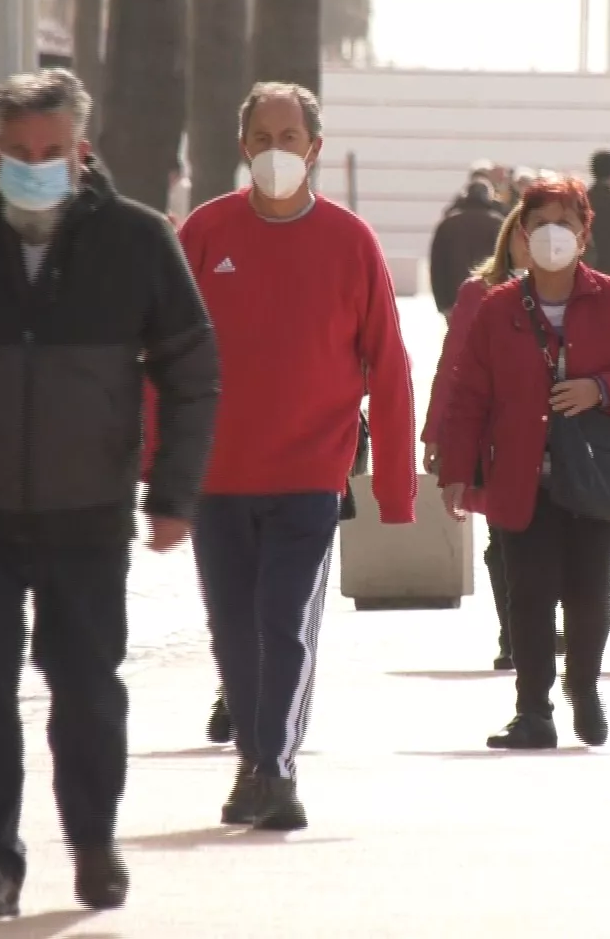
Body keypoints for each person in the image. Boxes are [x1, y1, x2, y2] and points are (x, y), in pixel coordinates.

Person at [0, 69, 220, 916]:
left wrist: (173, 489)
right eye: (18, 152)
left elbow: (191, 369)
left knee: (89, 687)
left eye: (51, 151)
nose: (34, 165)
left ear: (80, 150)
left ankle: (94, 844)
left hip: (88, 513)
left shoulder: (137, 240)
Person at [178, 81, 416, 831]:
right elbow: (163, 351)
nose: (276, 151)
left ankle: (274, 769)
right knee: (230, 629)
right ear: (242, 145)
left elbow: (390, 362)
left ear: (314, 148)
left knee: (283, 623)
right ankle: (257, 758)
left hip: (309, 478)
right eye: (263, 137)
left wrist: (397, 490)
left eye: (291, 137)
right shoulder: (206, 233)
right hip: (218, 476)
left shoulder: (351, 241)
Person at [435, 176, 610, 751]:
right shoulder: (497, 308)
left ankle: (584, 687)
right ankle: (532, 711)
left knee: (591, 593)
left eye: (564, 222)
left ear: (585, 234)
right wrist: (456, 473)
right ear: (520, 234)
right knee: (529, 594)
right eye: (538, 222)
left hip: (594, 475)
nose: (550, 234)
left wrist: (601, 390)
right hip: (521, 478)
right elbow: (470, 396)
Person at [422, 216, 529, 671]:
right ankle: (515, 634)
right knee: (503, 539)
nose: (541, 238)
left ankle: (543, 620)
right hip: (494, 437)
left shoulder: (584, 291)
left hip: (559, 436)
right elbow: (454, 364)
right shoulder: (478, 291)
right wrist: (436, 434)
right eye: (531, 229)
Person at [430, 179, 504, 315]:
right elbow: (506, 263)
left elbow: (437, 265)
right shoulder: (497, 224)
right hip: (490, 296)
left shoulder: (448, 225)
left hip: (453, 298)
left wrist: (442, 304)